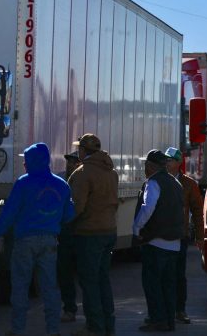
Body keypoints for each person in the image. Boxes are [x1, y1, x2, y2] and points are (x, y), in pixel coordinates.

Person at [0, 142, 75, 336]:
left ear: (32, 161)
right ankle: (53, 331)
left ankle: (18, 329)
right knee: (50, 288)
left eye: (26, 161)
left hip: (25, 242)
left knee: (20, 286)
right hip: (50, 242)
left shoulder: (23, 183)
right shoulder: (61, 184)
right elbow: (69, 215)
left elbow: (8, 214)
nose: (24, 165)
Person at [68, 134, 119, 336]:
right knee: (103, 280)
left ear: (83, 151)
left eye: (79, 149)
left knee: (89, 282)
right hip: (109, 231)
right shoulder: (111, 172)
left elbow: (77, 207)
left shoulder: (83, 173)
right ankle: (108, 326)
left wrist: (65, 222)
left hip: (89, 233)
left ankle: (94, 326)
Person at [133, 149, 185, 332]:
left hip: (156, 242)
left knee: (152, 284)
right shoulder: (176, 183)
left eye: (145, 165)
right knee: (169, 285)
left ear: (150, 166)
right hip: (174, 244)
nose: (144, 169)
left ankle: (157, 319)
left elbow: (148, 208)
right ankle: (169, 320)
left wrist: (137, 228)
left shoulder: (154, 182)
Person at [164, 146, 204, 325]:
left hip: (180, 235)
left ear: (179, 163)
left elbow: (197, 211)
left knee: (179, 275)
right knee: (163, 274)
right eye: (166, 159)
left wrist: (200, 236)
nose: (167, 163)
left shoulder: (189, 184)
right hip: (161, 236)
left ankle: (180, 310)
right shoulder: (160, 181)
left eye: (170, 160)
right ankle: (164, 310)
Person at [57, 151, 82, 323]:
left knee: (85, 275)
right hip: (64, 231)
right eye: (69, 161)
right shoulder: (59, 179)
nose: (70, 164)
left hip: (81, 231)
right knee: (64, 273)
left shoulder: (83, 180)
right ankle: (69, 308)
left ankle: (91, 312)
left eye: (74, 162)